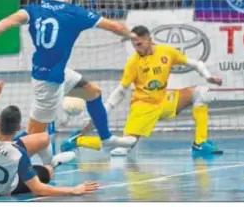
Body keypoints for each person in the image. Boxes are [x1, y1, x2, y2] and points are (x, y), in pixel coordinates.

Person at [0, 0, 137, 165]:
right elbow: (116, 27)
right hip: (47, 84)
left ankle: (106, 138)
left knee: (93, 92)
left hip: (57, 74)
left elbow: (8, 21)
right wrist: (133, 36)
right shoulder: (75, 13)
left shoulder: (33, 9)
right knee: (34, 136)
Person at [61, 25, 224, 156]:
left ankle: (200, 144)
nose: (137, 48)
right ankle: (77, 141)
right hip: (143, 107)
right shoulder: (133, 63)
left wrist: (208, 76)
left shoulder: (166, 52)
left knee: (201, 92)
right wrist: (101, 113)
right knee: (123, 147)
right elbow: (120, 91)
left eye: (139, 44)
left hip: (164, 101)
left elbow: (195, 63)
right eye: (134, 45)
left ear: (149, 40)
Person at [0, 81, 99, 196]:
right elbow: (38, 189)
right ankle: (52, 165)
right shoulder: (18, 154)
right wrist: (74, 190)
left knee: (43, 138)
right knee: (46, 173)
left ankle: (50, 162)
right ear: (18, 127)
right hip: (2, 189)